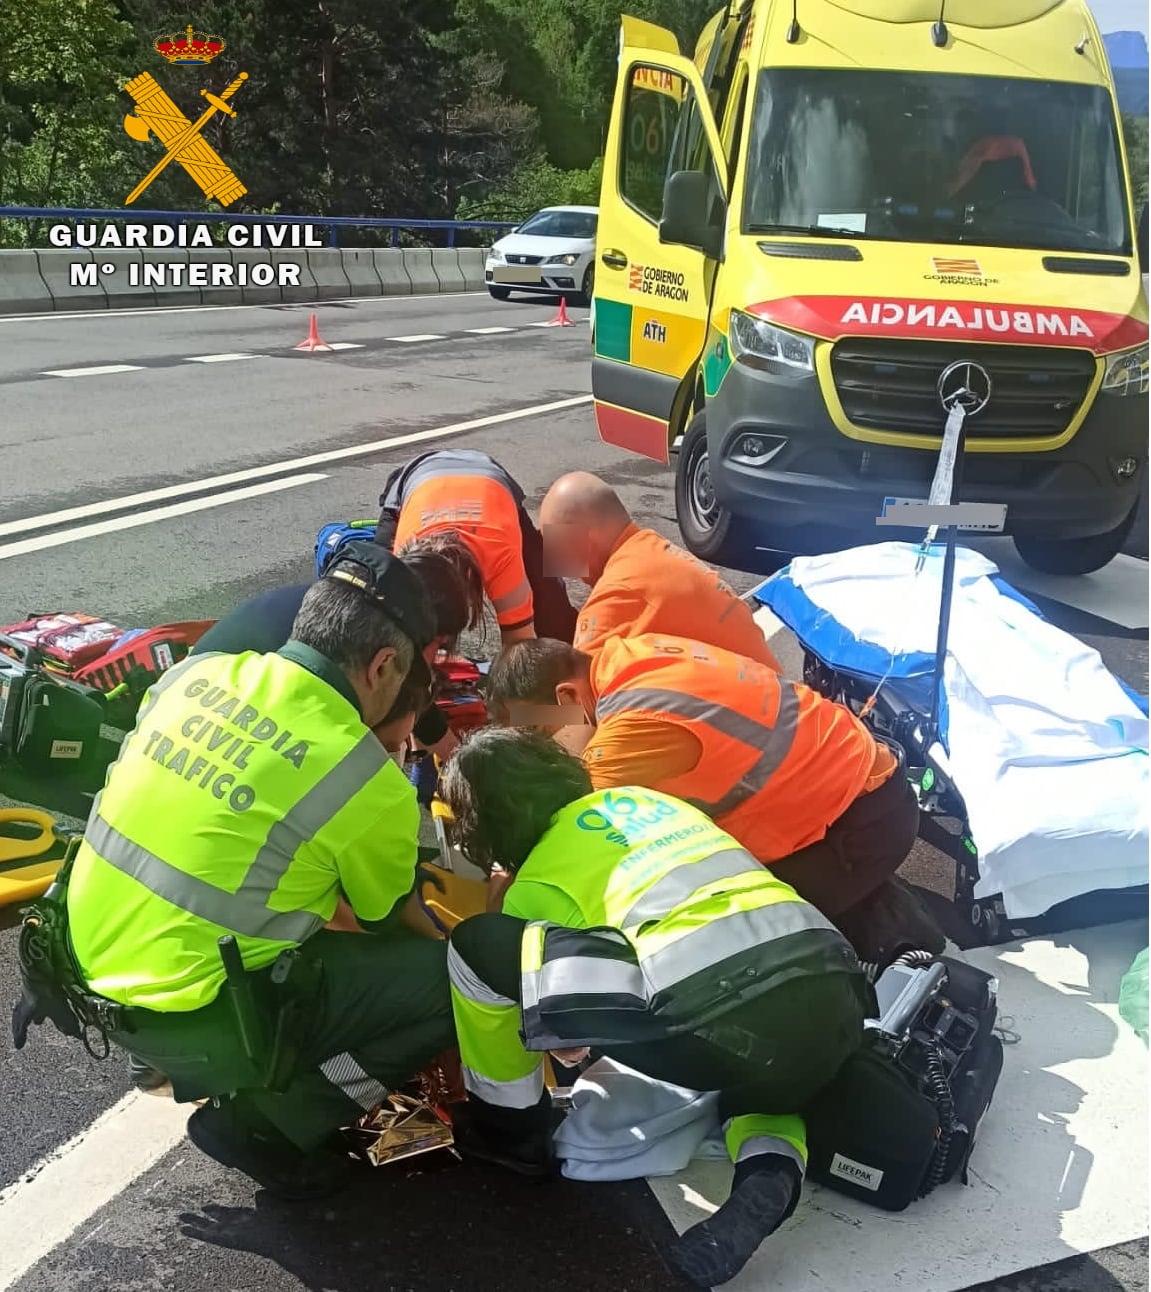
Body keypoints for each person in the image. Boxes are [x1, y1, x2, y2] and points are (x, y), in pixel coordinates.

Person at [33, 543, 456, 1199]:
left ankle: (204, 1064)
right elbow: (380, 920)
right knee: (448, 984)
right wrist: (466, 952)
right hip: (196, 1019)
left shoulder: (194, 679)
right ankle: (277, 1120)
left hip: (80, 976)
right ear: (381, 666)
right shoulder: (363, 776)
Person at [439, 728, 874, 1288]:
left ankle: (509, 1129)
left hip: (714, 1014)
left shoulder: (539, 877)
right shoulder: (650, 801)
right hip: (832, 979)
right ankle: (770, 1175)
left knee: (476, 946)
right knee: (771, 1075)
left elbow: (567, 1037)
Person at [486, 634, 944, 965]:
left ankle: (905, 967)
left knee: (743, 948)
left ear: (566, 696)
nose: (547, 749)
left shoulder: (628, 729)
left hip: (855, 826)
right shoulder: (631, 652)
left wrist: (500, 892)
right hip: (864, 786)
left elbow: (572, 828)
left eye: (541, 734)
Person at [192, 537, 485, 763]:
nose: (435, 659)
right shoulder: (352, 655)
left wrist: (456, 755)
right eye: (440, 645)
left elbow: (416, 706)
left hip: (183, 705)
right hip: (212, 732)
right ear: (421, 627)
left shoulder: (353, 608)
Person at [538, 470, 783, 671]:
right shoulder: (650, 552)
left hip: (740, 722)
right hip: (771, 706)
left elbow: (580, 708)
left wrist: (518, 718)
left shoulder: (616, 594)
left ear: (585, 539)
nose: (559, 565)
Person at [376, 448, 578, 645]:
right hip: (417, 477)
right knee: (376, 607)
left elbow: (518, 642)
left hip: (491, 481)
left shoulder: (502, 558)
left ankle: (578, 655)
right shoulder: (400, 568)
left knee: (551, 602)